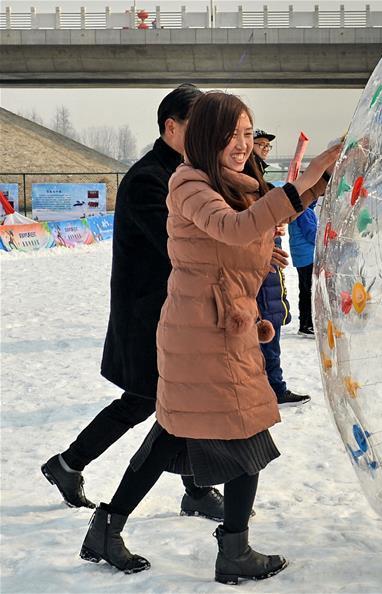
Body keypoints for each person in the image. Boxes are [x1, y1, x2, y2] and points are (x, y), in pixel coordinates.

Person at [79, 91, 339, 582]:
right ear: (205, 136)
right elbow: (235, 230)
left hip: (217, 329)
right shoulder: (188, 183)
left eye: (247, 133)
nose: (242, 144)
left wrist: (322, 174)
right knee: (246, 430)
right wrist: (301, 183)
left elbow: (268, 215)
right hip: (203, 334)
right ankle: (233, 550)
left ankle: (108, 526)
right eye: (232, 134)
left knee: (173, 432)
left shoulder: (234, 183)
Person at [41, 84, 225, 520]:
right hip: (148, 317)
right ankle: (73, 467)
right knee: (149, 401)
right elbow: (179, 243)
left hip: (171, 313)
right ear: (171, 127)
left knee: (171, 401)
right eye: (199, 127)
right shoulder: (149, 179)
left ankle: (72, 465)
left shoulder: (184, 172)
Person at [248, 129, 310, 404]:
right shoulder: (247, 186)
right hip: (260, 270)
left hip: (273, 268)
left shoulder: (264, 185)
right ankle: (273, 386)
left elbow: (292, 204)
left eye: (266, 146)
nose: (264, 149)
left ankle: (272, 385)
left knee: (271, 326)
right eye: (259, 144)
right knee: (266, 329)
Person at [288, 177, 318, 338]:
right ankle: (307, 324)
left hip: (301, 256)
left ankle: (305, 323)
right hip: (307, 257)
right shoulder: (304, 212)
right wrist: (324, 236)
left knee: (305, 290)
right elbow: (311, 234)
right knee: (309, 291)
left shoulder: (299, 209)